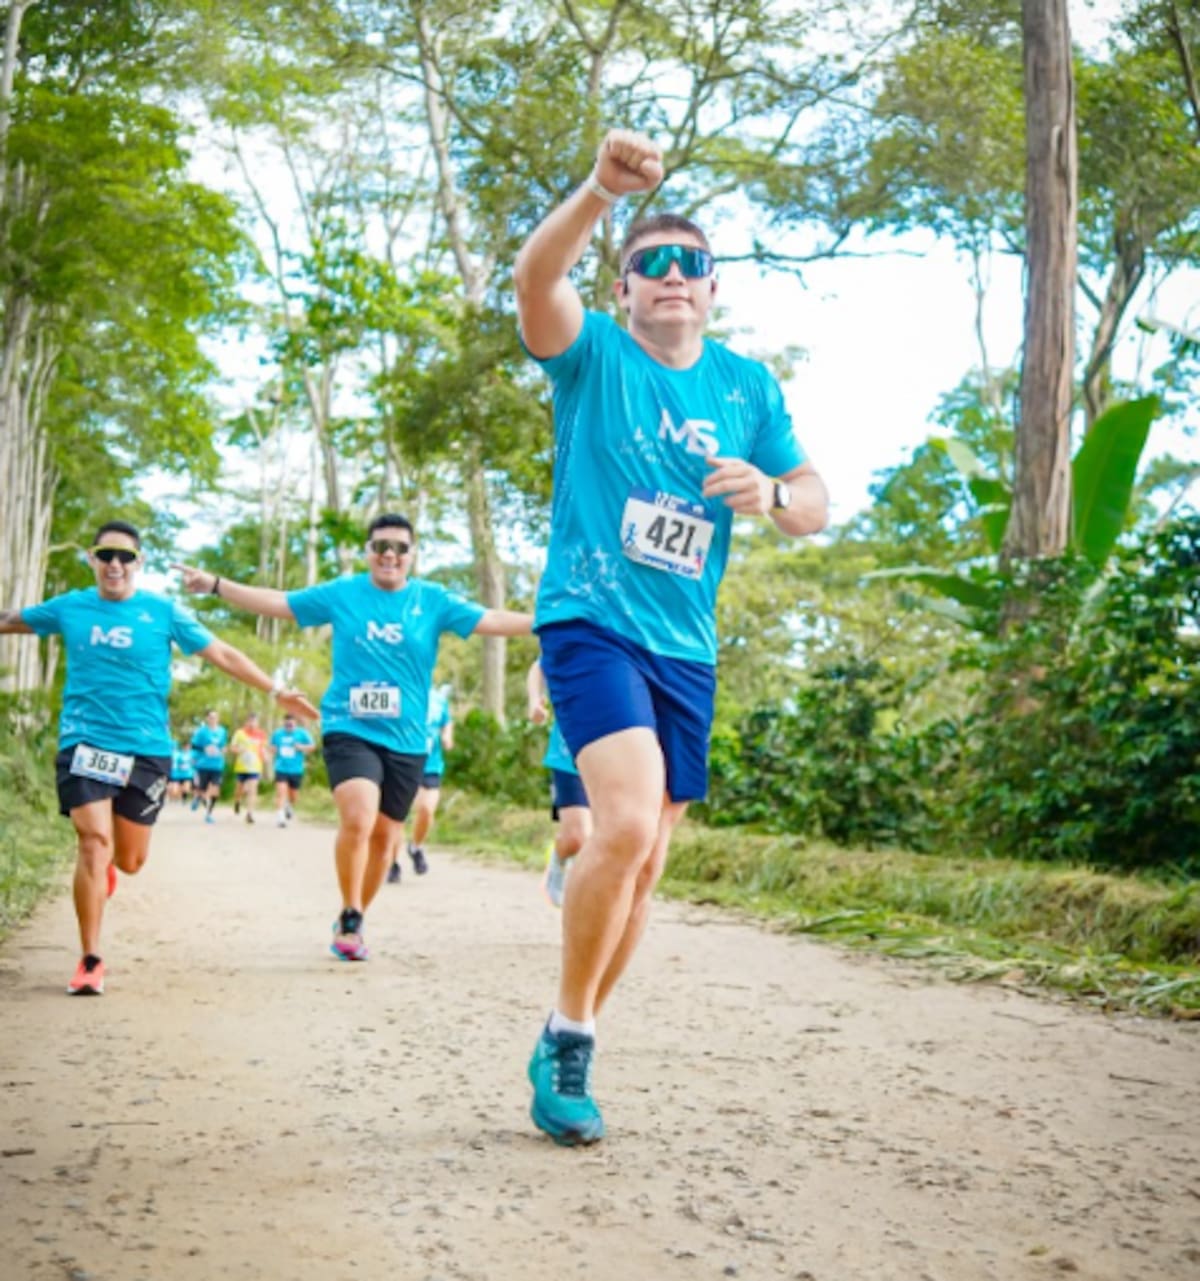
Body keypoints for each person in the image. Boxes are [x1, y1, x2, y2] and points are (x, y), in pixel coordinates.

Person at [512, 129, 830, 1144]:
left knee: (645, 862)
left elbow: (815, 502)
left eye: (691, 262)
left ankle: (570, 1026)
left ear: (713, 287)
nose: (673, 275)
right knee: (624, 823)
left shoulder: (746, 387)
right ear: (624, 287)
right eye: (652, 263)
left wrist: (770, 492)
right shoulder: (593, 354)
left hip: (686, 647)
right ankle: (573, 1037)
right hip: (590, 619)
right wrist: (599, 192)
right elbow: (535, 281)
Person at [174, 513, 532, 963]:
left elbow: (492, 618)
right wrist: (216, 585)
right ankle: (349, 913)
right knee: (360, 818)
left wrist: (551, 620)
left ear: (412, 555)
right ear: (368, 552)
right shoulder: (343, 593)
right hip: (350, 727)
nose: (389, 555)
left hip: (407, 740)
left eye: (400, 548)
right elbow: (280, 602)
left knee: (385, 837)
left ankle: (357, 913)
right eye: (381, 546)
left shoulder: (432, 600)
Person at [0, 520, 317, 996]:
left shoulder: (162, 612)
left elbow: (223, 654)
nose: (115, 564)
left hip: (146, 750)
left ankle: (107, 869)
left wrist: (277, 690)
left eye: (125, 557)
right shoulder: (70, 607)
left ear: (139, 562)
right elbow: (10, 620)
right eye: (106, 555)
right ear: (91, 559)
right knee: (92, 842)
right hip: (84, 743)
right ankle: (90, 959)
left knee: (130, 860)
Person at [526, 659, 591, 908]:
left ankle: (587, 896)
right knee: (577, 836)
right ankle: (559, 858)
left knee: (605, 836)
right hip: (567, 753)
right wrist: (535, 700)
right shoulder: (576, 638)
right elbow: (541, 664)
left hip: (614, 754)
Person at [388, 683, 453, 882]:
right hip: (401, 760)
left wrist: (447, 735)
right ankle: (392, 863)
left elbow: (446, 721)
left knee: (426, 809)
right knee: (397, 816)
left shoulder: (438, 699)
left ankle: (415, 847)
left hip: (430, 764)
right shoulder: (399, 692)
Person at [267, 712, 316, 826]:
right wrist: (271, 751)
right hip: (281, 768)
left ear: (295, 723)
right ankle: (281, 818)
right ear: (284, 723)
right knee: (281, 793)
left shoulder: (302, 733)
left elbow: (312, 746)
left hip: (296, 769)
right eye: (287, 724)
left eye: (291, 724)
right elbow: (271, 747)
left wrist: (301, 747)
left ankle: (288, 805)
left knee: (294, 796)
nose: (289, 726)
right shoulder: (277, 734)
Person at [190, 709, 228, 823]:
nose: (213, 719)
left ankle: (209, 813)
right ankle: (198, 796)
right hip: (203, 765)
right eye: (211, 717)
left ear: (218, 718)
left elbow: (223, 745)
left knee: (215, 790)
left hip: (217, 765)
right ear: (207, 719)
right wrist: (204, 749)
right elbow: (193, 746)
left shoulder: (222, 731)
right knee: (203, 790)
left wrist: (224, 750)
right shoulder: (201, 732)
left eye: (215, 717)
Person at [229, 710, 267, 824]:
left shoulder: (261, 734)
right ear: (246, 722)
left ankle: (249, 813)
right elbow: (232, 748)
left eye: (254, 721)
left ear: (257, 723)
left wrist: (265, 756)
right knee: (239, 790)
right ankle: (237, 801)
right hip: (242, 767)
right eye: (250, 721)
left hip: (255, 766)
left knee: (252, 790)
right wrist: (238, 750)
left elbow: (263, 748)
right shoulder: (239, 733)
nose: (252, 724)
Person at [167, 736, 194, 804]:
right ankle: (173, 799)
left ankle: (183, 799)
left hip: (187, 774)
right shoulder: (178, 754)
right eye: (187, 746)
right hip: (177, 773)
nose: (188, 748)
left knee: (186, 788)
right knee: (174, 789)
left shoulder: (192, 753)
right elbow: (177, 763)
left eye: (189, 746)